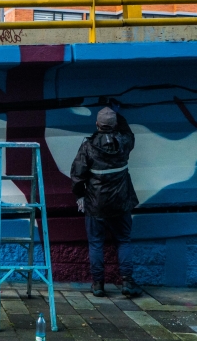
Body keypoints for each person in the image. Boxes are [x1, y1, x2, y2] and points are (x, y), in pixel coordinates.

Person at [70, 105, 143, 298]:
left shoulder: (88, 146)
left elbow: (77, 176)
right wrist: (117, 111)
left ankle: (98, 285)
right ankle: (127, 282)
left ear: (97, 124)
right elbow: (128, 131)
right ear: (116, 124)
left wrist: (80, 196)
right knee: (124, 240)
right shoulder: (125, 142)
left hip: (96, 204)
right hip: (121, 202)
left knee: (96, 243)